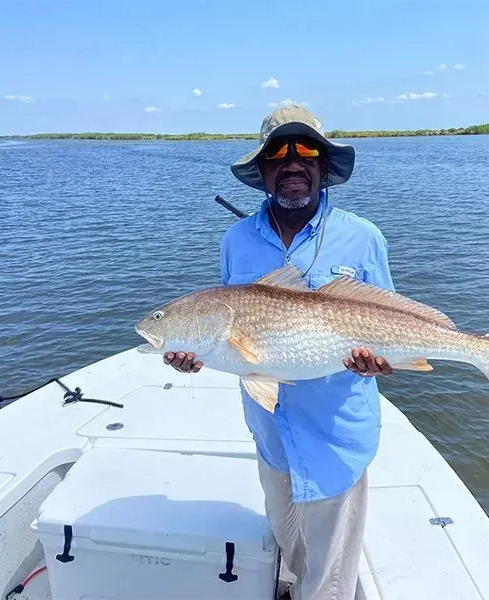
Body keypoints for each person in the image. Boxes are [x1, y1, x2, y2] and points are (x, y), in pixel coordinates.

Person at [162, 104, 396, 600]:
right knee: (294, 552)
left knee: (328, 583)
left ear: (322, 164)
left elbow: (391, 323)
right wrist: (193, 351)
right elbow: (229, 325)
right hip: (271, 435)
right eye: (278, 154)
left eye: (306, 151)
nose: (293, 163)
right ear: (264, 171)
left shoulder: (363, 237)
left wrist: (380, 361)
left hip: (334, 439)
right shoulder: (237, 240)